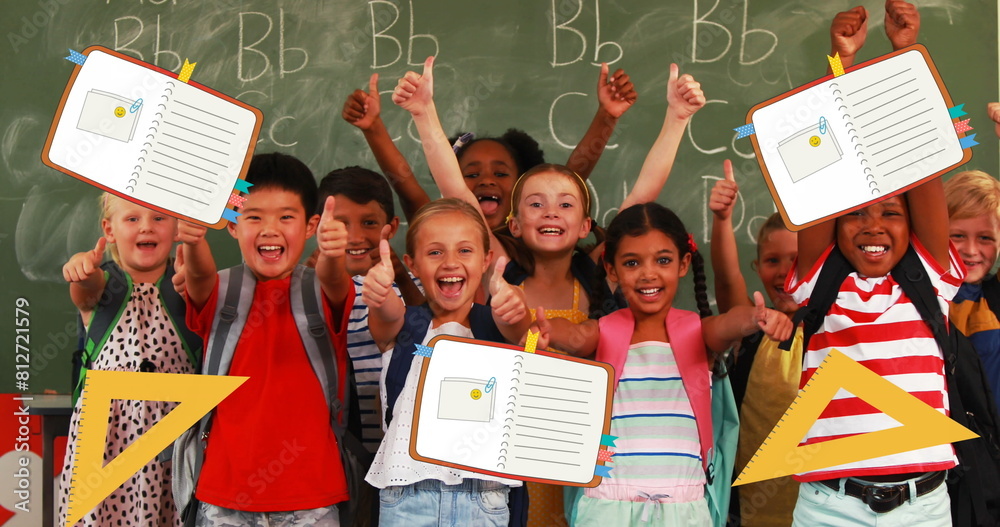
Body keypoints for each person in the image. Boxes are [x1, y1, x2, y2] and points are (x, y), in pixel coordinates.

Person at [531, 202, 790, 525]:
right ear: (611, 269)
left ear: (683, 264)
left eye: (663, 260)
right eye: (631, 263)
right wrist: (546, 330)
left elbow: (729, 323)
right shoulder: (605, 331)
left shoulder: (697, 332)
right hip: (607, 506)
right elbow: (574, 335)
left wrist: (756, 318)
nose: (648, 274)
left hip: (684, 510)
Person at [177, 152, 355, 526]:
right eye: (253, 216)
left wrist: (334, 253)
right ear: (231, 225)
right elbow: (199, 274)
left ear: (312, 225)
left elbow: (334, 278)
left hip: (312, 500)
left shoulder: (322, 289)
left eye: (286, 217)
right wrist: (193, 242)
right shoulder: (220, 290)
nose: (269, 229)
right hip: (224, 499)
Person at [363, 198, 532, 526]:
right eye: (435, 252)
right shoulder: (406, 326)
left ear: (487, 260)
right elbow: (386, 314)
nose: (450, 262)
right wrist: (380, 292)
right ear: (412, 264)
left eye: (464, 251)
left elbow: (521, 329)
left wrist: (514, 304)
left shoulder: (497, 325)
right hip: (407, 495)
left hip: (484, 496)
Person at [59, 194, 199, 527]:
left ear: (178, 227)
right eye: (132, 219)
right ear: (109, 229)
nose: (146, 226)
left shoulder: (186, 284)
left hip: (174, 442)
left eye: (160, 218)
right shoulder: (103, 284)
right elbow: (86, 290)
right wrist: (82, 269)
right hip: (103, 439)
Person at [709, 161, 800, 526]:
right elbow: (726, 274)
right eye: (772, 261)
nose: (784, 271)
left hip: (818, 498)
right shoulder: (752, 322)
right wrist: (721, 219)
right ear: (758, 267)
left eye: (797, 260)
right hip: (746, 500)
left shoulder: (835, 324)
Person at [946, 170, 1000, 407]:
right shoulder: (911, 297)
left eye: (985, 238)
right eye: (957, 236)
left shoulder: (994, 296)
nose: (970, 249)